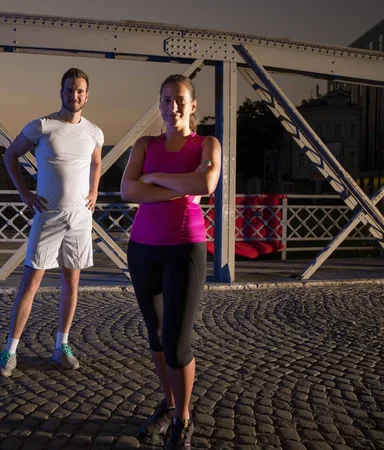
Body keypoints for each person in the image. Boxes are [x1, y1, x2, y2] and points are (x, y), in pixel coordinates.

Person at [120, 74, 221, 449]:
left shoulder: (207, 143)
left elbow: (205, 185)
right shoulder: (144, 144)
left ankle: (183, 418)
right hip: (143, 248)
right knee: (157, 337)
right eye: (166, 99)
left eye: (180, 99)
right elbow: (128, 190)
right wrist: (181, 182)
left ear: (193, 105)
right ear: (159, 103)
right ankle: (169, 403)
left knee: (178, 343)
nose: (172, 106)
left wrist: (156, 178)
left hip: (185, 249)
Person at [0, 68, 104, 378]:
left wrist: (95, 190)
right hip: (48, 216)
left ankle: (61, 346)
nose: (75, 95)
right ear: (61, 92)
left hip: (80, 219)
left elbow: (96, 162)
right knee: (30, 283)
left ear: (87, 94)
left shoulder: (95, 132)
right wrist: (24, 192)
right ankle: (10, 351)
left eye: (80, 90)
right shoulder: (42, 126)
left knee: (72, 284)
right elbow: (10, 156)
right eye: (69, 89)